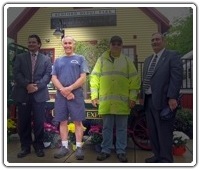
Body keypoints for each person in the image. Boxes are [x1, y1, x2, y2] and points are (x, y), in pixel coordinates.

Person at [90, 35, 141, 162]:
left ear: (121, 46)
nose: (116, 46)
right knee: (106, 128)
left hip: (123, 103)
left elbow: (134, 80)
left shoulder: (127, 61)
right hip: (106, 102)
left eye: (119, 44)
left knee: (122, 129)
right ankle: (105, 150)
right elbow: (94, 78)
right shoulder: (101, 60)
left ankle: (121, 151)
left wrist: (133, 97)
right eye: (114, 43)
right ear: (110, 45)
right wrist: (94, 96)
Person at [140, 32, 183, 163]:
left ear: (164, 41)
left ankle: (166, 159)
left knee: (164, 132)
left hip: (164, 101)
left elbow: (176, 78)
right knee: (152, 132)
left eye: (157, 39)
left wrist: (172, 97)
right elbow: (146, 80)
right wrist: (142, 96)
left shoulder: (172, 56)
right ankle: (157, 155)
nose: (154, 42)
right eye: (152, 40)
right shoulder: (148, 60)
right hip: (148, 101)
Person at [12, 34, 52, 158]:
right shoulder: (19, 57)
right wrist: (27, 85)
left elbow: (48, 75)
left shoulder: (46, 59)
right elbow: (16, 73)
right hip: (23, 94)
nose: (31, 44)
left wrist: (37, 86)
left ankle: (39, 146)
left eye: (34, 42)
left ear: (39, 44)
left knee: (39, 122)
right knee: (23, 122)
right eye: (29, 42)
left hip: (39, 95)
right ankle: (25, 147)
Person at [51, 36, 89, 160]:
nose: (67, 45)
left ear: (74, 45)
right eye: (65, 43)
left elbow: (83, 77)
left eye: (70, 43)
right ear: (63, 45)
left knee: (78, 121)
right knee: (62, 121)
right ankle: (64, 147)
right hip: (61, 95)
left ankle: (79, 148)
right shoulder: (58, 60)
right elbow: (54, 78)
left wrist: (70, 89)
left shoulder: (80, 59)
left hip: (76, 95)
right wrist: (64, 91)